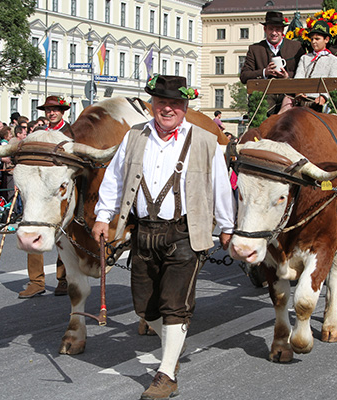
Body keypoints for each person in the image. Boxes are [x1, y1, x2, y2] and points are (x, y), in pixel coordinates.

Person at [92, 75, 235, 399]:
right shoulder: (135, 136)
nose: (167, 109)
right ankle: (172, 347)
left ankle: (166, 372)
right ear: (152, 105)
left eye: (174, 104)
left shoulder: (204, 141)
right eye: (161, 103)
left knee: (175, 305)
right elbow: (114, 179)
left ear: (184, 107)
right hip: (143, 232)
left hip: (184, 233)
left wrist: (227, 226)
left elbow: (220, 186)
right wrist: (103, 216)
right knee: (145, 307)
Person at [18, 95, 72, 299]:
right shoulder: (39, 133)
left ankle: (63, 278)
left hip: (59, 191)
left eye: (55, 110)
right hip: (39, 191)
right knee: (32, 230)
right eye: (48, 110)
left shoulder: (70, 133)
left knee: (63, 236)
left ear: (63, 111)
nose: (51, 113)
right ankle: (36, 282)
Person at [240, 11, 305, 115]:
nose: (274, 33)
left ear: (282, 30)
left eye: (277, 29)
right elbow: (244, 76)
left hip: (289, 95)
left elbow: (303, 72)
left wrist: (287, 76)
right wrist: (264, 72)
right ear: (265, 29)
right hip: (264, 97)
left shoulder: (296, 47)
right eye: (271, 29)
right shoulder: (255, 49)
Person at [279, 20, 337, 114]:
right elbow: (299, 77)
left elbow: (333, 83)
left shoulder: (332, 59)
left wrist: (324, 97)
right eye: (312, 39)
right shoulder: (305, 58)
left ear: (326, 39)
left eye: (317, 39)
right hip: (304, 99)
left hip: (321, 101)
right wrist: (298, 92)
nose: (314, 42)